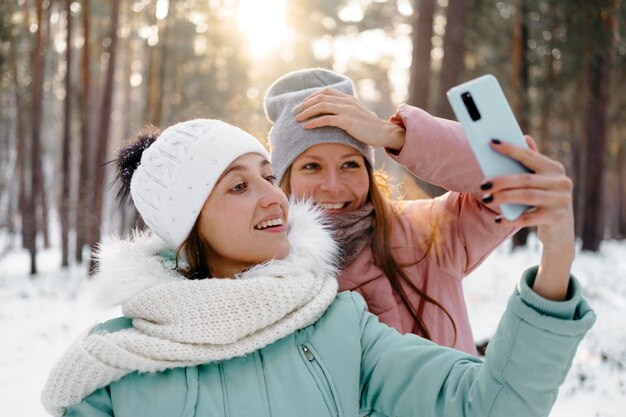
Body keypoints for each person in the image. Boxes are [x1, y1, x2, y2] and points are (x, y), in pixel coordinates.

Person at [41, 118, 594, 417]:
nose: (273, 196)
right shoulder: (116, 368)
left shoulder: (338, 326)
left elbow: (491, 406)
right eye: (239, 185)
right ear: (188, 229)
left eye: (264, 174)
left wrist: (557, 262)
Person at [264, 68, 569, 354]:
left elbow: (516, 178)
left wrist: (393, 135)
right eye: (312, 166)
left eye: (350, 164)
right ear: (282, 179)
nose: (333, 185)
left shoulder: (428, 233)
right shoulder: (265, 270)